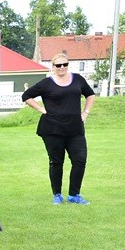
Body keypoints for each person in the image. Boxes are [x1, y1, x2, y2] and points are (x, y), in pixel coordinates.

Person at [22, 52, 96, 205]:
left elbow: (90, 95)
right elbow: (27, 96)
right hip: (52, 129)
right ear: (53, 67)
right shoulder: (46, 83)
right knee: (56, 162)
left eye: (65, 64)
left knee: (80, 161)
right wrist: (42, 110)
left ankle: (74, 195)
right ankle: (57, 194)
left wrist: (85, 112)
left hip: (75, 128)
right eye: (58, 65)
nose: (62, 67)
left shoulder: (78, 79)